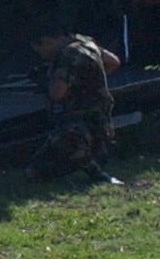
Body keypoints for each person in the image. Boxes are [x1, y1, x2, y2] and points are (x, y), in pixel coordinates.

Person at [26, 26, 123, 185]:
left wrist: (45, 80)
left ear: (47, 41)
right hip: (101, 124)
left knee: (34, 172)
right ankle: (94, 159)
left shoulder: (67, 54)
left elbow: (57, 93)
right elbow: (113, 61)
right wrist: (84, 79)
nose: (42, 56)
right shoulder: (85, 43)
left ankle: (96, 173)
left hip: (77, 128)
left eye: (40, 50)